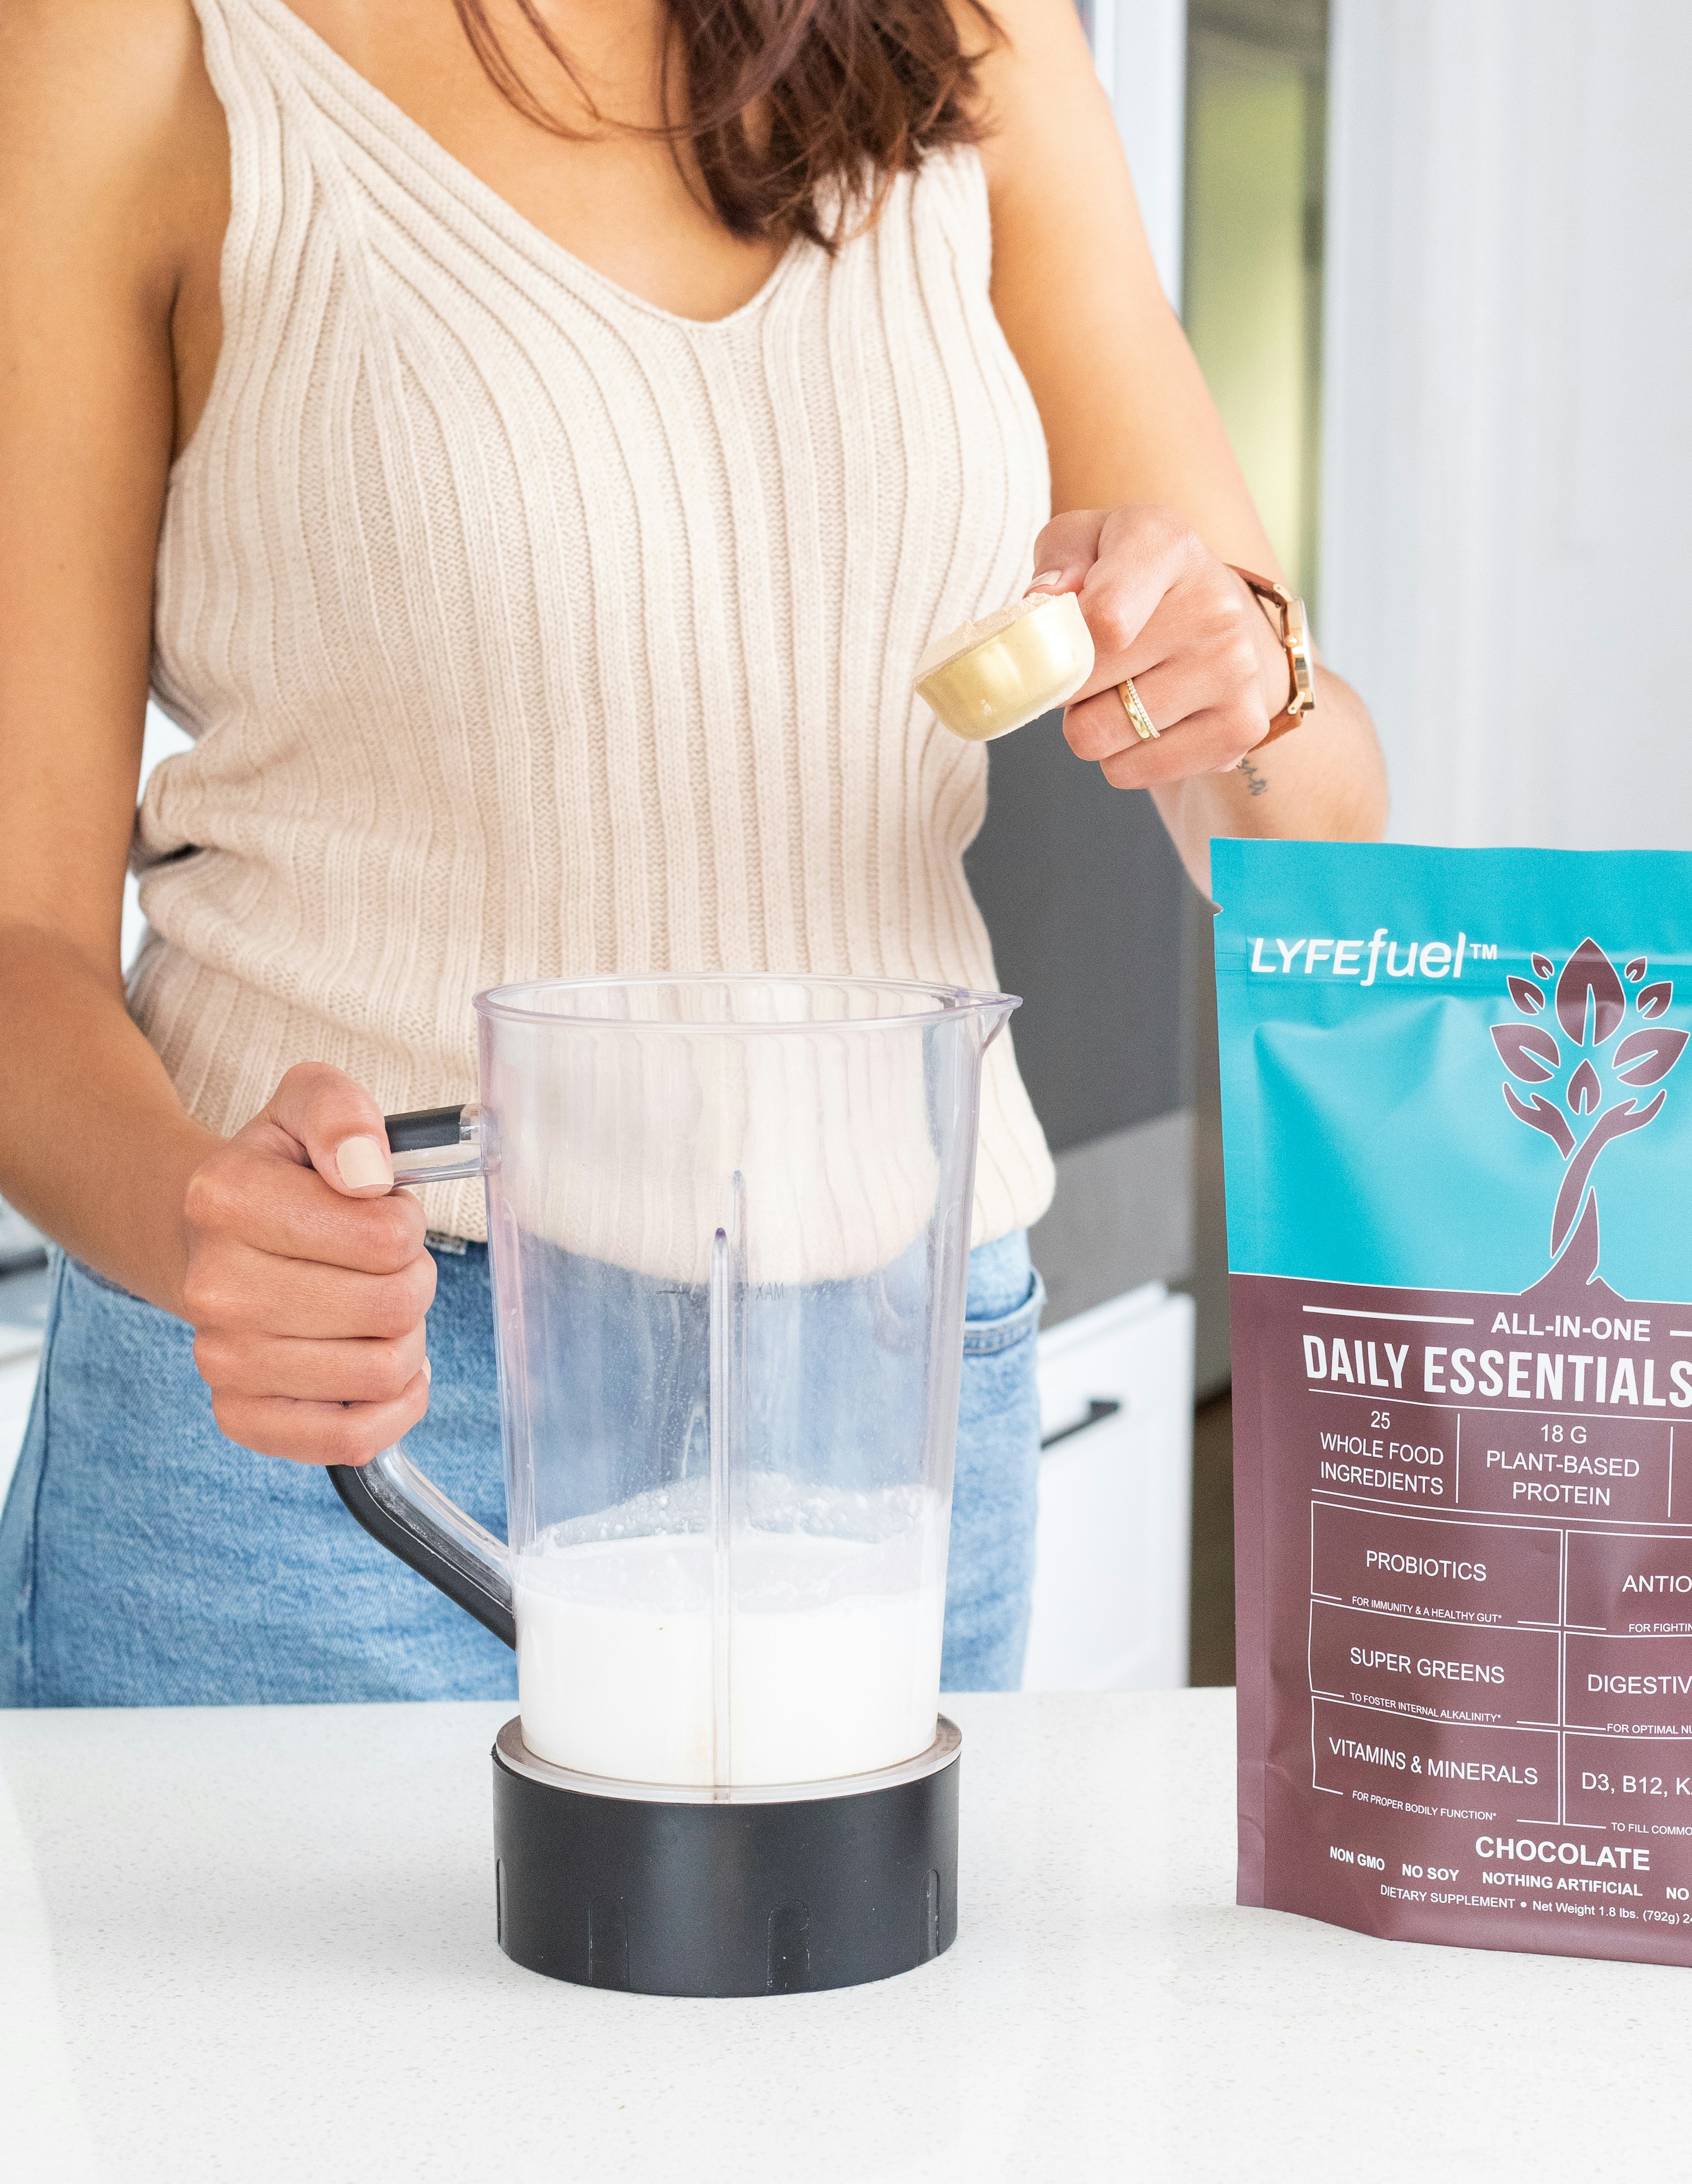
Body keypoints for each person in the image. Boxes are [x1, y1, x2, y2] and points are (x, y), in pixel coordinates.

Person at [0, 0, 1386, 1708]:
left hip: (890, 1399)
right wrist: (198, 1226)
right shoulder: (132, 44)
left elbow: (1308, 820)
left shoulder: (976, 36)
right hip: (332, 1428)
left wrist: (1238, 681)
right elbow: (15, 936)